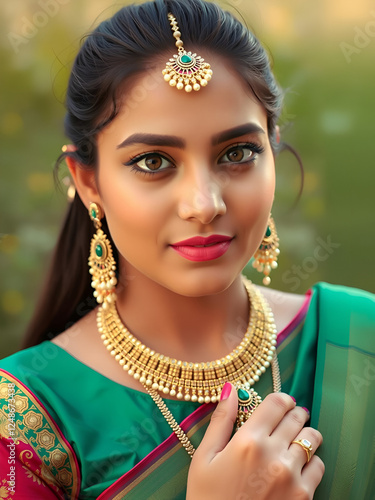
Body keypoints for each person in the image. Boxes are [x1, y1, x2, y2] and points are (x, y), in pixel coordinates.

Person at [0, 0, 374, 498]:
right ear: (88, 183)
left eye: (237, 154)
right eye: (153, 161)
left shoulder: (359, 342)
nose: (205, 203)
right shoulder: (27, 422)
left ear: (274, 149)